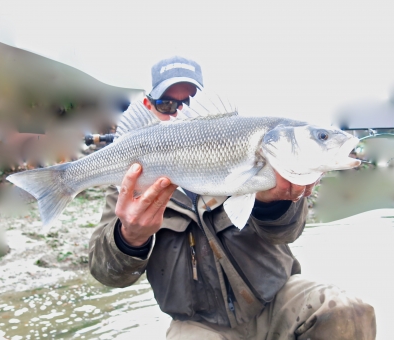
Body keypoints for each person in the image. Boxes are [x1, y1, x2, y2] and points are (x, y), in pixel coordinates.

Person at [89, 56, 376, 339]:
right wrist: (130, 237)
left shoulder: (264, 155)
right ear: (148, 107)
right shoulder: (129, 186)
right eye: (167, 105)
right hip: (198, 324)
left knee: (347, 311)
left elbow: (288, 232)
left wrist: (272, 203)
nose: (179, 114)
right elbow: (108, 274)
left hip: (276, 301)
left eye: (189, 103)